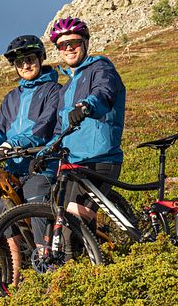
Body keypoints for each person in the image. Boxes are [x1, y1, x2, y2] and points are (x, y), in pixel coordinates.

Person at [0, 35, 61, 285]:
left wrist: (12, 144)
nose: (25, 65)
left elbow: (44, 127)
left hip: (41, 162)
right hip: (13, 166)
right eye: (20, 61)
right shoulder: (11, 97)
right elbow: (0, 127)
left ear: (41, 59)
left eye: (30, 59)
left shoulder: (54, 91)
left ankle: (48, 272)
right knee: (6, 215)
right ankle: (16, 275)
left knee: (37, 213)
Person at [43, 17, 126, 234]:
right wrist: (43, 153)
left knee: (74, 229)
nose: (69, 48)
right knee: (65, 226)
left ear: (86, 43)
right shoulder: (66, 88)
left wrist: (87, 106)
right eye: (63, 45)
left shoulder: (101, 68)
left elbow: (103, 92)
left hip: (99, 159)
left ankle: (93, 266)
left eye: (75, 42)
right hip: (74, 164)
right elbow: (60, 130)